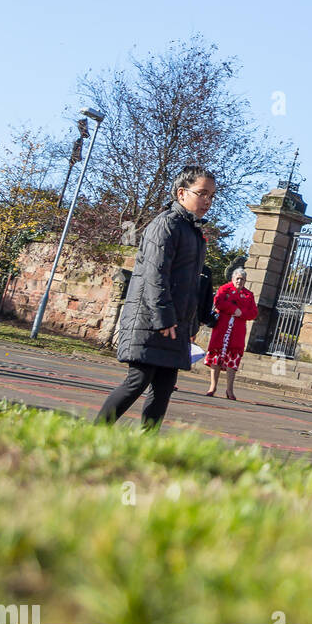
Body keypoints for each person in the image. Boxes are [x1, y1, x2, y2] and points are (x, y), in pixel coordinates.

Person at [96, 166, 214, 430]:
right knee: (138, 380)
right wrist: (164, 318)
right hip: (151, 320)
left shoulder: (193, 232)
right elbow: (154, 275)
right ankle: (94, 434)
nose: (207, 201)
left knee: (164, 387)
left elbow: (188, 286)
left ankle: (146, 444)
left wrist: (190, 325)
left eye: (211, 196)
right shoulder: (166, 224)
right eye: (202, 193)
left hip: (174, 325)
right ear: (182, 193)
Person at [205, 266, 258, 400]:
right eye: (238, 278)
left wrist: (241, 313)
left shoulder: (248, 295)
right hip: (222, 328)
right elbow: (218, 302)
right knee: (216, 356)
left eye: (242, 279)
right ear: (233, 278)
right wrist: (233, 309)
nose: (240, 281)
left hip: (237, 331)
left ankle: (229, 389)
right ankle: (213, 386)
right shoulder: (224, 289)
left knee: (233, 359)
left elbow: (253, 313)